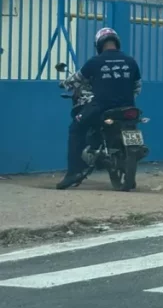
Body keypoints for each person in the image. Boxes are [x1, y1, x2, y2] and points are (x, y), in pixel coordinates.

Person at [57, 27, 142, 190]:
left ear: (99, 44)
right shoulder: (131, 61)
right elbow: (137, 87)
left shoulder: (95, 62)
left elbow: (76, 80)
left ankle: (74, 172)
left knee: (75, 127)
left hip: (101, 106)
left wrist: (64, 83)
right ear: (116, 41)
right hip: (128, 108)